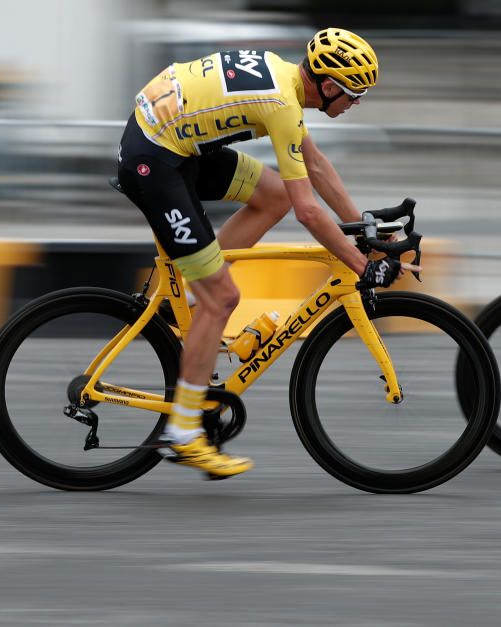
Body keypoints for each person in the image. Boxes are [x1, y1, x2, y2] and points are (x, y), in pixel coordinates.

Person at [116, 28, 408, 478]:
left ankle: (196, 300)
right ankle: (182, 433)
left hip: (173, 141)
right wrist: (361, 264)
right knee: (225, 298)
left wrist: (364, 234)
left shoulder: (284, 81)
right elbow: (310, 212)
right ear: (329, 86)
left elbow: (315, 166)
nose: (355, 103)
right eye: (354, 94)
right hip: (155, 158)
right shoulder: (282, 104)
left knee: (274, 195)